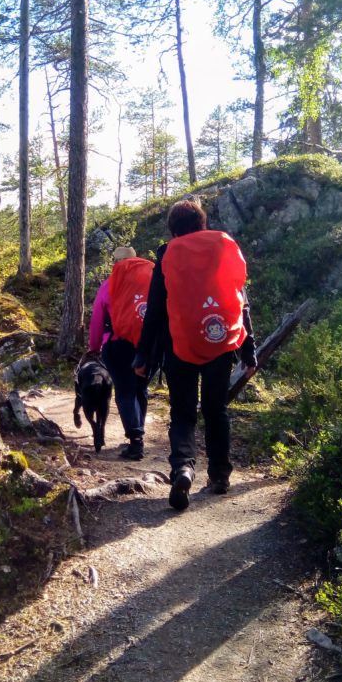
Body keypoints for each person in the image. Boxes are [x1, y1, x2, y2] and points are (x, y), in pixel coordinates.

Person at [133, 199, 257, 510]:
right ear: (202, 222)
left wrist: (143, 356)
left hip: (180, 345)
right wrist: (248, 349)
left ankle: (183, 469)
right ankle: (219, 475)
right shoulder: (223, 246)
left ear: (173, 228)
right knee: (216, 411)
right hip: (220, 341)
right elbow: (239, 298)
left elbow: (156, 309)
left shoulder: (168, 254)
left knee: (183, 413)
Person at [88, 246, 154, 460]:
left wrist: (94, 347)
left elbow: (97, 320)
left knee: (125, 391)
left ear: (115, 264)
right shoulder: (152, 282)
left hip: (117, 345)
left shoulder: (109, 285)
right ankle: (138, 431)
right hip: (148, 344)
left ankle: (136, 441)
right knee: (141, 388)